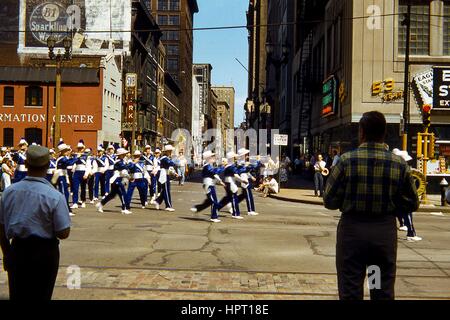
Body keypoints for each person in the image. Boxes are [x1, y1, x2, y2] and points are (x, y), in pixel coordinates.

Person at [324, 111, 419, 300]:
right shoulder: (398, 164)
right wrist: (393, 203)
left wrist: (347, 198)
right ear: (384, 133)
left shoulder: (345, 161)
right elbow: (412, 202)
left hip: (353, 235)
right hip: (382, 235)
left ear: (361, 132)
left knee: (350, 287)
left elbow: (330, 200)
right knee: (379, 287)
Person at [0, 145, 71, 300]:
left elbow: (1, 226)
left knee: (18, 295)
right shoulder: (55, 196)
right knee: (41, 295)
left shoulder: (9, 192)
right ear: (47, 166)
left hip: (17, 249)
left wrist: (7, 253)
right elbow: (63, 232)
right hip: (45, 252)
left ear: (26, 165)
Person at [392, 148, 422, 242]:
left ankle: (406, 229)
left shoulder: (395, 168)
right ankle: (411, 233)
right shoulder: (403, 169)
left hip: (396, 195)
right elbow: (410, 186)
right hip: (403, 196)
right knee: (407, 213)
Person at [190, 150, 225, 222]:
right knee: (213, 201)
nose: (214, 158)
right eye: (212, 156)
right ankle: (214, 217)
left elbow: (214, 175)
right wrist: (223, 167)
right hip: (208, 185)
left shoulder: (210, 166)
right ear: (208, 158)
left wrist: (220, 181)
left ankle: (197, 208)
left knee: (210, 201)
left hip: (211, 184)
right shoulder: (207, 166)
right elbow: (214, 172)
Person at [96, 148, 132, 214]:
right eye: (123, 154)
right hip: (116, 180)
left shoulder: (121, 161)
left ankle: (100, 204)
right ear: (120, 155)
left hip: (118, 180)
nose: (125, 155)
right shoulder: (119, 162)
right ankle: (124, 208)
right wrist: (130, 177)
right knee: (123, 194)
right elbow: (125, 170)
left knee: (112, 195)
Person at [53, 140, 78, 217]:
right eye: (66, 150)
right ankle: (66, 210)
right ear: (62, 151)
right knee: (64, 193)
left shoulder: (64, 158)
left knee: (65, 193)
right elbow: (69, 163)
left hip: (63, 176)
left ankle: (65, 209)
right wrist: (77, 157)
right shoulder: (62, 159)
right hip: (60, 176)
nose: (68, 152)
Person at [153, 145, 178, 211]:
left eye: (171, 151)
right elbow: (171, 163)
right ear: (167, 151)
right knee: (166, 190)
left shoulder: (166, 157)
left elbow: (170, 167)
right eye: (170, 151)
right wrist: (175, 162)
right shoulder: (164, 158)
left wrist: (174, 172)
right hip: (163, 174)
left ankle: (158, 201)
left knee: (165, 190)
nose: (171, 152)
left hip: (166, 174)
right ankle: (168, 206)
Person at [71, 141, 90, 209]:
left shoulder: (86, 156)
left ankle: (83, 201)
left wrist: (86, 174)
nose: (80, 149)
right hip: (76, 172)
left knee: (83, 188)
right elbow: (73, 164)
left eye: (81, 148)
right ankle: (75, 202)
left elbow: (88, 166)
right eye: (79, 148)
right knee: (75, 188)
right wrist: (73, 169)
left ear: (83, 148)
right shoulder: (75, 156)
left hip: (83, 172)